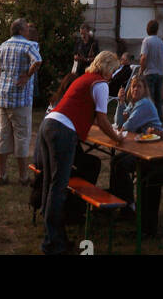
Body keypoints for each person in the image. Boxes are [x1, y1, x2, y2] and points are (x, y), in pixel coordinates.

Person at [37, 50, 121, 255]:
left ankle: (53, 236)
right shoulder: (100, 83)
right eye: (114, 70)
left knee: (51, 183)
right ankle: (53, 244)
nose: (114, 75)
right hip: (62, 132)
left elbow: (86, 112)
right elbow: (101, 119)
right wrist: (118, 138)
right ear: (107, 67)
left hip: (48, 125)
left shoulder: (84, 78)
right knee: (58, 186)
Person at [111, 73, 163, 236]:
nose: (135, 89)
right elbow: (119, 123)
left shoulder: (144, 103)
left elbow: (126, 127)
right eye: (133, 86)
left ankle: (128, 205)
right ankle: (125, 205)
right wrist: (121, 103)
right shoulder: (134, 103)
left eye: (139, 86)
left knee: (120, 164)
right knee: (116, 161)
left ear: (145, 90)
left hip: (154, 150)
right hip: (141, 146)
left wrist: (123, 124)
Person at [0, 17, 41, 186]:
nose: (28, 31)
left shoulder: (5, 44)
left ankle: (2, 174)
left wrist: (2, 71)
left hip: (3, 96)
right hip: (21, 97)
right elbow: (38, 60)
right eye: (26, 28)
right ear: (21, 30)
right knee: (22, 136)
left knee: (3, 136)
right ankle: (23, 176)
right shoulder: (28, 45)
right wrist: (27, 75)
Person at [139, 19, 163, 115]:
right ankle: (158, 119)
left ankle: (149, 117)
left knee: (149, 98)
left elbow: (144, 57)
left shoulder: (146, 41)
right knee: (158, 99)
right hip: (159, 73)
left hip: (149, 72)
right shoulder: (160, 42)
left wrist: (141, 70)